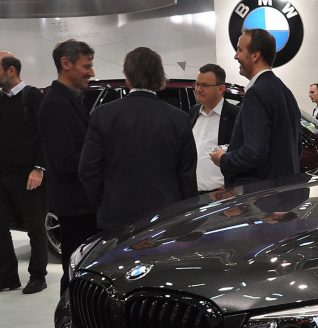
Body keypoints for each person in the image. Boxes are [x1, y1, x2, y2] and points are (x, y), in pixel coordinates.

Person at [79, 47, 197, 231]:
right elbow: (187, 177)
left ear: (127, 76)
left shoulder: (103, 115)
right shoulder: (179, 118)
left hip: (116, 216)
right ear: (160, 76)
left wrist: (103, 202)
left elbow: (88, 170)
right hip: (167, 217)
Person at [38, 39, 98, 294]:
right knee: (75, 274)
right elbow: (65, 161)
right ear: (66, 63)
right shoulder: (55, 104)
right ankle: (72, 323)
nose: (92, 72)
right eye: (86, 66)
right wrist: (102, 155)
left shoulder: (70, 100)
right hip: (75, 207)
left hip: (82, 204)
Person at [210, 28, 301, 187]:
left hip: (261, 199)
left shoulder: (256, 93)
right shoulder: (286, 92)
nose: (235, 56)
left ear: (255, 55)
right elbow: (296, 147)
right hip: (284, 193)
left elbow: (254, 152)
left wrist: (224, 159)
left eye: (239, 49)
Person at [0, 51, 47, 293]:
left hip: (28, 174)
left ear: (10, 70)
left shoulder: (33, 96)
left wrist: (39, 168)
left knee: (35, 227)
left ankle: (38, 276)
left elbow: (45, 136)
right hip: (3, 174)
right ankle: (7, 277)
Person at [189, 63, 238, 193]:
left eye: (204, 85)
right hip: (192, 194)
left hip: (221, 195)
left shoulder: (236, 116)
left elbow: (242, 155)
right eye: (197, 84)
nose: (198, 89)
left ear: (221, 89)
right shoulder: (193, 112)